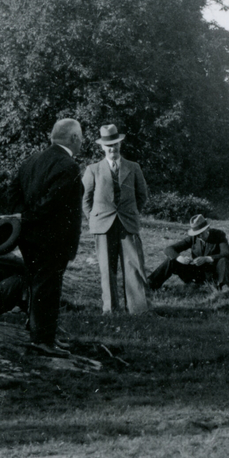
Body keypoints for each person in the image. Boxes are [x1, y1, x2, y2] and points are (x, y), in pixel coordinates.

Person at [6, 118, 84, 358]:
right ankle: (42, 340)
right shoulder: (68, 165)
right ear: (73, 138)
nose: (81, 142)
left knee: (37, 284)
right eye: (80, 137)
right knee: (48, 287)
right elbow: (52, 203)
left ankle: (39, 332)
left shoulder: (30, 160)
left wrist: (22, 218)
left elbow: (11, 192)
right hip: (53, 239)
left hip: (28, 237)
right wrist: (30, 216)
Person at [81, 123, 150, 315]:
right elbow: (85, 199)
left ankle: (139, 309)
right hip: (102, 225)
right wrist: (94, 219)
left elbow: (142, 195)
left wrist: (131, 212)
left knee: (134, 266)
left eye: (116, 144)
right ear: (102, 147)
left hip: (127, 223)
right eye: (109, 145)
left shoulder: (133, 167)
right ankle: (110, 309)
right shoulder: (92, 169)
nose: (113, 148)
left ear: (121, 145)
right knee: (107, 268)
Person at [149, 214, 229, 291]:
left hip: (214, 274)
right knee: (172, 260)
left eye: (201, 233)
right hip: (197, 274)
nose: (199, 236)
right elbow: (169, 249)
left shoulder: (218, 235)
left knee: (223, 260)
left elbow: (227, 254)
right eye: (197, 234)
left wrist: (207, 259)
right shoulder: (193, 238)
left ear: (208, 228)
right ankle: (151, 284)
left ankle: (223, 287)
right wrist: (180, 258)